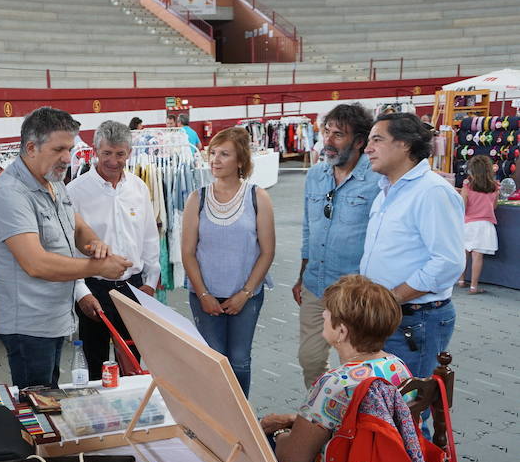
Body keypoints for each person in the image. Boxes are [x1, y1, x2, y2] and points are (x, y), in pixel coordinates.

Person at [0, 107, 132, 389]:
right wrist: (100, 266)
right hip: (28, 325)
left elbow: (75, 225)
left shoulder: (53, 181)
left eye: (70, 148)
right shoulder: (9, 195)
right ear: (31, 147)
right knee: (37, 406)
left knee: (49, 396)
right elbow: (36, 263)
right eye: (59, 149)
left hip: (53, 318)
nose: (67, 157)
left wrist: (94, 243)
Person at [260, 275, 419, 462]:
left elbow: (294, 458)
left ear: (342, 331)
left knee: (261, 437)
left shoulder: (334, 384)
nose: (323, 316)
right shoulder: (397, 366)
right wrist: (295, 421)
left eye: (326, 313)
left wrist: (281, 432)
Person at [360, 113, 464, 386]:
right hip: (389, 317)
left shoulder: (432, 192)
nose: (367, 148)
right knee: (385, 408)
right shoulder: (387, 190)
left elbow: (447, 263)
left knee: (409, 410)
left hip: (415, 320)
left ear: (404, 144)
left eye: (377, 140)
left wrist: (392, 298)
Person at [181, 126, 275, 397]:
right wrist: (203, 294)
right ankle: (218, 417)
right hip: (204, 295)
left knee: (239, 360)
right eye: (212, 153)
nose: (215, 160)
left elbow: (267, 252)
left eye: (224, 154)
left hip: (246, 295)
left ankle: (240, 418)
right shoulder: (196, 199)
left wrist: (245, 293)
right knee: (214, 360)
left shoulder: (258, 197)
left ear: (240, 161)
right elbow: (187, 252)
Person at [293, 103, 379, 389]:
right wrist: (301, 275)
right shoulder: (315, 175)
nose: (328, 141)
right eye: (326, 132)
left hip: (355, 290)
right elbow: (309, 229)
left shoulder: (378, 181)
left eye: (338, 135)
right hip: (315, 285)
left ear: (359, 141)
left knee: (354, 366)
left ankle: (351, 424)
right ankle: (322, 416)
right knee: (310, 358)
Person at [67, 120, 160, 379]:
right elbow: (65, 251)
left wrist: (150, 282)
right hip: (94, 289)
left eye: (120, 154)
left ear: (129, 153)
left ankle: (132, 415)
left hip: (134, 288)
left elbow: (150, 239)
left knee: (133, 360)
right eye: (107, 153)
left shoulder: (139, 188)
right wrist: (81, 293)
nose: (113, 160)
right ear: (95, 150)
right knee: (95, 363)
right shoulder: (75, 192)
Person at [459, 154, 499, 294]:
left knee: (463, 254)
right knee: (478, 257)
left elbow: (462, 205)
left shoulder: (467, 185)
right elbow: (494, 207)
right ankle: (473, 287)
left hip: (467, 223)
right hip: (484, 225)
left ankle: (461, 280)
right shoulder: (495, 186)